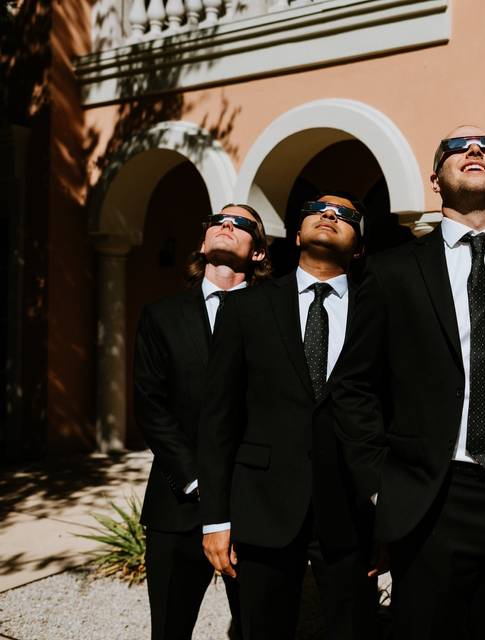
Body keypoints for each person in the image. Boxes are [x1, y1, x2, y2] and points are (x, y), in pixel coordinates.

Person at [329, 126, 485, 639]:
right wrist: (379, 487)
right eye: (456, 147)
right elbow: (352, 388)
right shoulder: (390, 273)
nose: (474, 150)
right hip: (433, 498)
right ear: (436, 180)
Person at [198, 194, 377, 640]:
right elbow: (219, 419)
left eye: (347, 214)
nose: (330, 215)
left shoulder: (378, 310)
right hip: (262, 505)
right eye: (318, 208)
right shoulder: (246, 308)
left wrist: (390, 514)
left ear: (358, 247)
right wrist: (216, 519)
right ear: (296, 234)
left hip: (351, 513)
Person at [134, 203, 271, 639]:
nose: (227, 224)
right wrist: (200, 482)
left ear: (258, 253)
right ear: (203, 241)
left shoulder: (279, 315)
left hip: (254, 507)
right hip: (177, 503)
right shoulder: (161, 316)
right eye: (218, 220)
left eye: (242, 223)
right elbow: (151, 408)